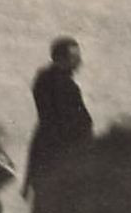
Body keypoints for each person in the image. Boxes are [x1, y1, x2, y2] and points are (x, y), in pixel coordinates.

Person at [23, 37, 94, 203]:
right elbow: (78, 124)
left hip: (43, 149)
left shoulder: (43, 78)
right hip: (61, 155)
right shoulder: (67, 87)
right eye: (75, 58)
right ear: (63, 60)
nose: (79, 62)